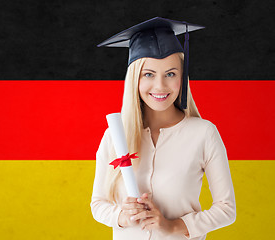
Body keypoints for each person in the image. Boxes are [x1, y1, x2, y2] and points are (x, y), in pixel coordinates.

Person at [90, 17, 236, 240]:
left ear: (182, 77)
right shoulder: (115, 136)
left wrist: (173, 226)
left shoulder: (203, 133)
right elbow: (98, 204)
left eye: (170, 74)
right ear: (134, 79)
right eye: (148, 74)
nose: (160, 86)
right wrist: (123, 216)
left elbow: (226, 209)